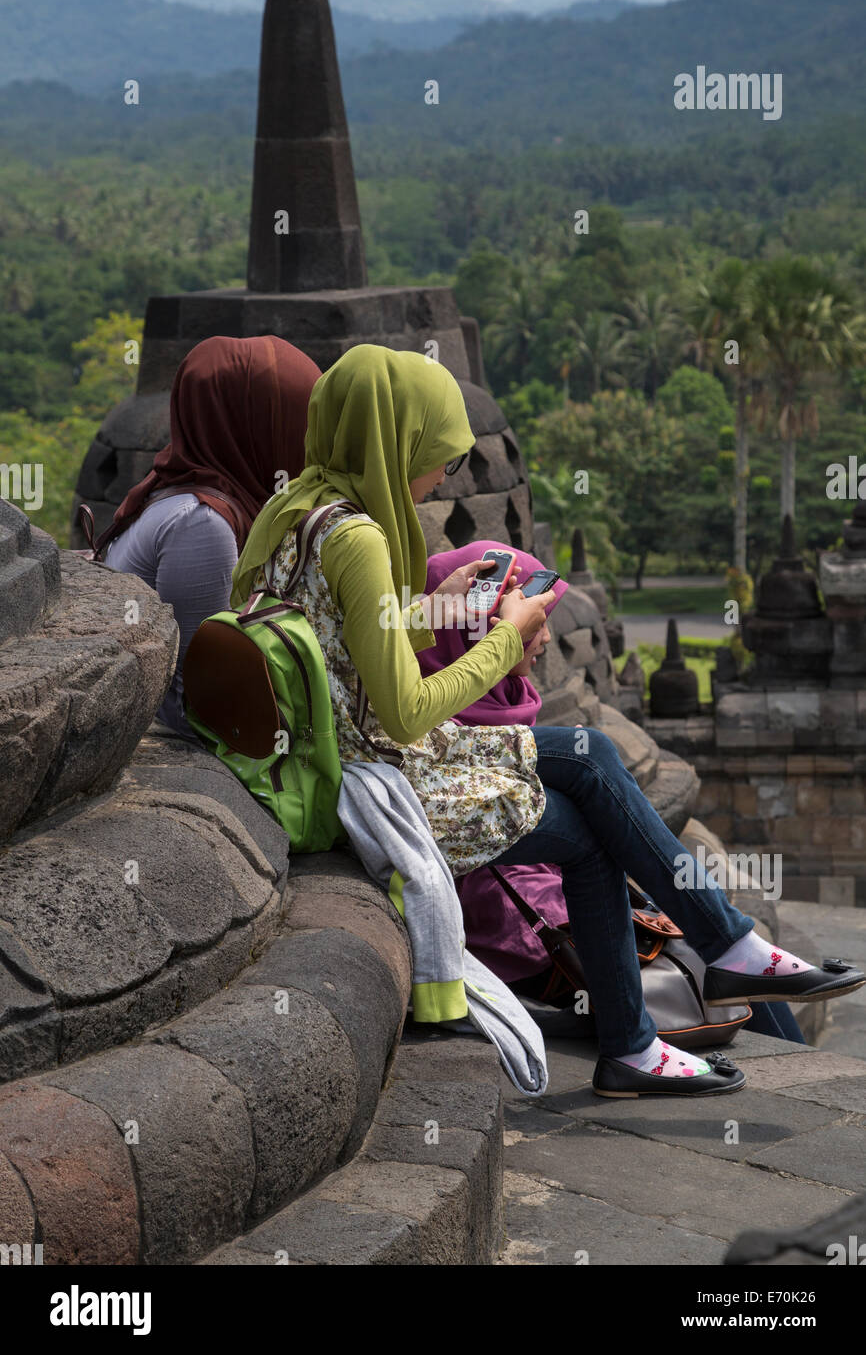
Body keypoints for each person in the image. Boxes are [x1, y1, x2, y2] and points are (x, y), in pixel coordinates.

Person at [231, 343, 864, 1098]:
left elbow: (346, 639)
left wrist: (449, 607)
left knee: (591, 752)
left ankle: (708, 967)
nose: (442, 479)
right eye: (436, 456)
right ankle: (691, 984)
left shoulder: (294, 512)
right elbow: (402, 711)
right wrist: (503, 636)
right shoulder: (362, 538)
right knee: (592, 824)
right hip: (378, 777)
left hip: (343, 756)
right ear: (396, 442)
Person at [420, 540, 807, 1046]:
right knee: (704, 956)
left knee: (717, 957)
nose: (544, 636)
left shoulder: (509, 699)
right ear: (477, 632)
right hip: (533, 937)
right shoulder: (442, 722)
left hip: (566, 901)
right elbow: (488, 876)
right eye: (532, 620)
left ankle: (750, 978)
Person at [102, 334, 321, 736]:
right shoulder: (202, 524)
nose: (310, 443)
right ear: (257, 428)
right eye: (300, 423)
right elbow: (199, 697)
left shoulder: (186, 480)